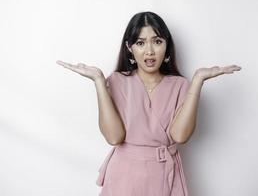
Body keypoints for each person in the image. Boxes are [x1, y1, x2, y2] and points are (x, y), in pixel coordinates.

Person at [56, 11, 241, 196]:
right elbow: (114, 137)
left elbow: (179, 135)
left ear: (167, 46)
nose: (150, 51)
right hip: (124, 177)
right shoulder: (118, 81)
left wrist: (198, 81)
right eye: (141, 43)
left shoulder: (180, 85)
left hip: (163, 176)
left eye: (157, 41)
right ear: (129, 47)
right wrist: (98, 81)